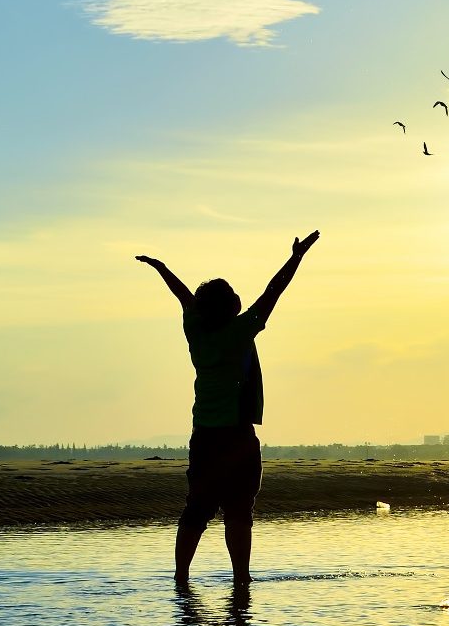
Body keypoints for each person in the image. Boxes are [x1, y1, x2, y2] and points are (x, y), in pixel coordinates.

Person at [136, 230, 320, 583]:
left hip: (204, 437)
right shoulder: (240, 332)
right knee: (239, 512)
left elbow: (183, 297)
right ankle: (241, 580)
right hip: (237, 438)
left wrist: (161, 268)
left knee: (196, 511)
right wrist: (296, 257)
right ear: (232, 306)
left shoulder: (196, 332)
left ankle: (181, 578)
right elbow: (273, 292)